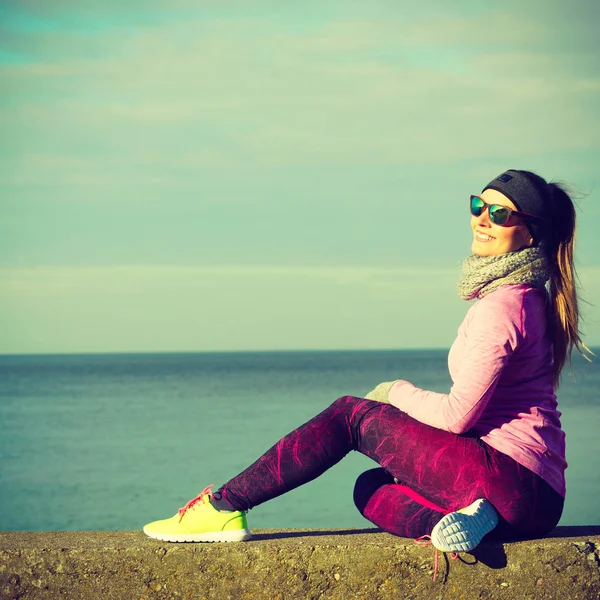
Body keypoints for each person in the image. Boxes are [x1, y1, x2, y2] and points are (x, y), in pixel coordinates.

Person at [143, 169, 591, 562]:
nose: (481, 219)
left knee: (349, 415)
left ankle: (222, 507)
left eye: (500, 214)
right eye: (479, 205)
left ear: (532, 234)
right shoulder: (530, 299)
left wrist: (394, 391)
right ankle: (456, 522)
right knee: (370, 486)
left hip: (505, 477)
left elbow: (458, 417)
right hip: (538, 502)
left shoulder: (503, 307)